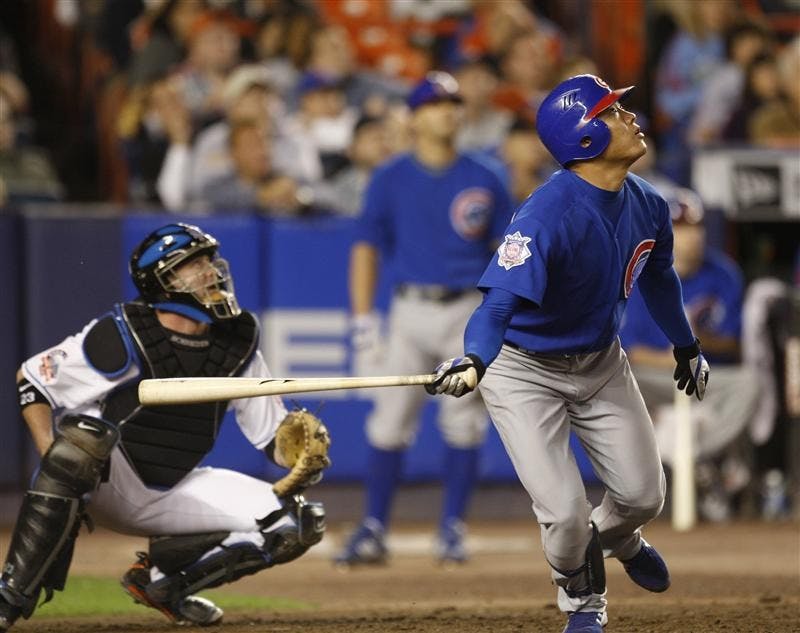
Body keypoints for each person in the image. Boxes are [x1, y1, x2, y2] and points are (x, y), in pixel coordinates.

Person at [426, 74, 710, 633]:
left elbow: (658, 279)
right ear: (586, 139)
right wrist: (475, 361)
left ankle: (618, 540)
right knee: (562, 512)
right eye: (611, 113)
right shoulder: (546, 215)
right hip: (522, 367)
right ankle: (583, 604)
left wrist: (686, 345)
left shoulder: (648, 203)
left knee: (643, 496)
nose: (629, 117)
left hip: (601, 361)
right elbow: (495, 309)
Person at [0, 223, 331, 631]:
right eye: (193, 264)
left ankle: (165, 586)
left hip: (172, 486)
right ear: (163, 280)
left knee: (296, 523)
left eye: (209, 260)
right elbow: (32, 380)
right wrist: (52, 457)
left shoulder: (237, 340)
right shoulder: (124, 333)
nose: (210, 271)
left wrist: (298, 452)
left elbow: (269, 438)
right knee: (81, 439)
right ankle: (9, 596)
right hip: (104, 480)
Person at [334, 71, 514, 567]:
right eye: (435, 103)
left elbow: (507, 251)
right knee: (389, 422)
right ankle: (372, 527)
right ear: (413, 117)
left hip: (466, 308)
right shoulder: (390, 176)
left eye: (453, 101)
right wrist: (363, 321)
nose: (448, 110)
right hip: (410, 308)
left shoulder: (486, 173)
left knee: (463, 424)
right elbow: (366, 248)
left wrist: (503, 313)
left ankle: (452, 527)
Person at [620, 187, 759, 521]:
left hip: (701, 374)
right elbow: (627, 349)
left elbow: (734, 344)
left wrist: (700, 345)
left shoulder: (722, 273)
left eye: (694, 227)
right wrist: (672, 356)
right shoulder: (638, 272)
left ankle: (691, 458)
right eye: (680, 227)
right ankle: (652, 475)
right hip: (651, 376)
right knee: (609, 380)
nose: (690, 236)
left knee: (749, 381)